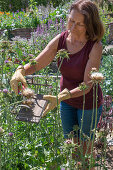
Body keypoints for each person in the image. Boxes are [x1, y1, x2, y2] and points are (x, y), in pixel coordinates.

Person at [10, 0, 104, 161]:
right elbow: (37, 62)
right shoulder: (61, 39)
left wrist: (59, 97)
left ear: (90, 25)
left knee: (85, 150)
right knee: (70, 146)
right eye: (71, 20)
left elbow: (87, 86)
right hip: (66, 102)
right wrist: (20, 71)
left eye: (79, 24)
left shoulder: (94, 46)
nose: (73, 27)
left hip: (88, 104)